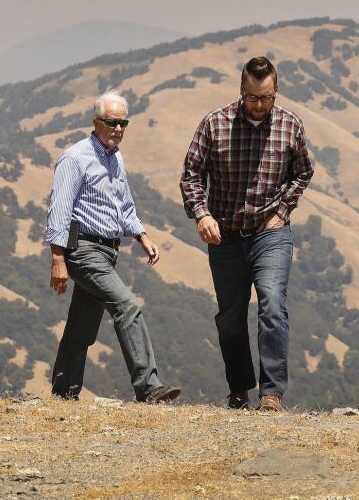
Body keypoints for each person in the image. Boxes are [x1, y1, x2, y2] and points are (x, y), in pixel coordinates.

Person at [179, 56, 314, 411]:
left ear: (276, 91)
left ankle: (271, 393)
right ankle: (239, 388)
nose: (259, 105)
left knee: (271, 305)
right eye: (253, 97)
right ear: (241, 91)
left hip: (270, 233)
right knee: (230, 317)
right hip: (224, 235)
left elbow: (303, 173)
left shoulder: (290, 125)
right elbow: (191, 175)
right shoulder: (214, 124)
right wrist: (202, 214)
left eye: (266, 97)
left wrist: (282, 212)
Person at [45, 89, 180, 404]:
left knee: (81, 326)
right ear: (95, 122)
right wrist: (58, 259)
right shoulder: (75, 158)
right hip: (82, 250)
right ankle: (148, 387)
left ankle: (63, 391)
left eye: (123, 123)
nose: (118, 129)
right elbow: (59, 211)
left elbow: (124, 205)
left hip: (108, 251)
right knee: (127, 306)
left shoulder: (116, 158)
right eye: (111, 122)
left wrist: (142, 236)